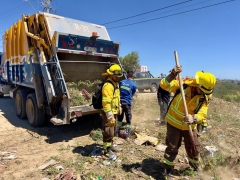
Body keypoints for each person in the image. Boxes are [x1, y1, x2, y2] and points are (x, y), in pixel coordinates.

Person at [160, 66, 216, 178]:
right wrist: (172, 75)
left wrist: (194, 118)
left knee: (194, 146)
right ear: (198, 85)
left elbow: (203, 113)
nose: (203, 93)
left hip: (190, 125)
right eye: (202, 90)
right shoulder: (184, 84)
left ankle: (195, 167)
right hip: (174, 122)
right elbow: (164, 85)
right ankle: (167, 170)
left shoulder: (205, 96)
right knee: (172, 146)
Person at [100, 64, 123, 160]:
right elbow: (106, 102)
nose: (117, 78)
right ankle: (106, 150)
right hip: (108, 113)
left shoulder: (115, 84)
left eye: (118, 76)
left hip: (114, 112)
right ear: (110, 75)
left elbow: (116, 98)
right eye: (115, 76)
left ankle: (111, 146)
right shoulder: (108, 85)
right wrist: (109, 116)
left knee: (113, 131)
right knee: (108, 132)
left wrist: (119, 106)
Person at [117, 70, 137, 138]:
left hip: (120, 103)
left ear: (127, 75)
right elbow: (132, 94)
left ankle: (117, 131)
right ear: (132, 76)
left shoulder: (121, 82)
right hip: (127, 103)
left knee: (120, 118)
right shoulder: (133, 84)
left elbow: (118, 90)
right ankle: (127, 132)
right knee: (128, 119)